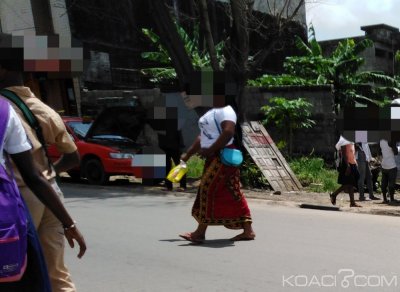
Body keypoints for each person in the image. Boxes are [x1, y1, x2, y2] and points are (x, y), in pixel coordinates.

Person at [0, 64, 82, 290]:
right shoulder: (45, 109)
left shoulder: (3, 108)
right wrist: (50, 174)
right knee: (57, 271)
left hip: (22, 197)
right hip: (51, 194)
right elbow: (73, 157)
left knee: (23, 271)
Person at [178, 89, 255, 243]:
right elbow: (202, 136)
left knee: (207, 190)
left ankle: (199, 233)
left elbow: (228, 132)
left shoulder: (225, 110)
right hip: (214, 156)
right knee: (232, 191)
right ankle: (248, 230)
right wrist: (188, 155)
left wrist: (211, 150)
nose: (188, 100)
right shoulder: (209, 113)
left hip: (222, 157)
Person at [330, 136, 361, 207]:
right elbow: (344, 153)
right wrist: (347, 165)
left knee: (351, 183)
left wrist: (355, 162)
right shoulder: (345, 139)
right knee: (348, 183)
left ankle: (352, 203)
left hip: (352, 163)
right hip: (347, 164)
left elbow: (351, 152)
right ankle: (334, 194)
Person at [159, 128, 187, 192]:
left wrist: (181, 148)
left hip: (175, 148)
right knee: (166, 167)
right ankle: (168, 186)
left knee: (180, 166)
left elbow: (180, 137)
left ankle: (182, 186)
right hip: (165, 149)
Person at [379, 139, 398, 203]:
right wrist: (393, 146)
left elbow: (379, 152)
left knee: (384, 183)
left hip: (384, 165)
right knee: (391, 184)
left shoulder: (381, 141)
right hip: (391, 165)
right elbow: (396, 152)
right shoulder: (391, 141)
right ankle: (392, 199)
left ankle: (384, 199)